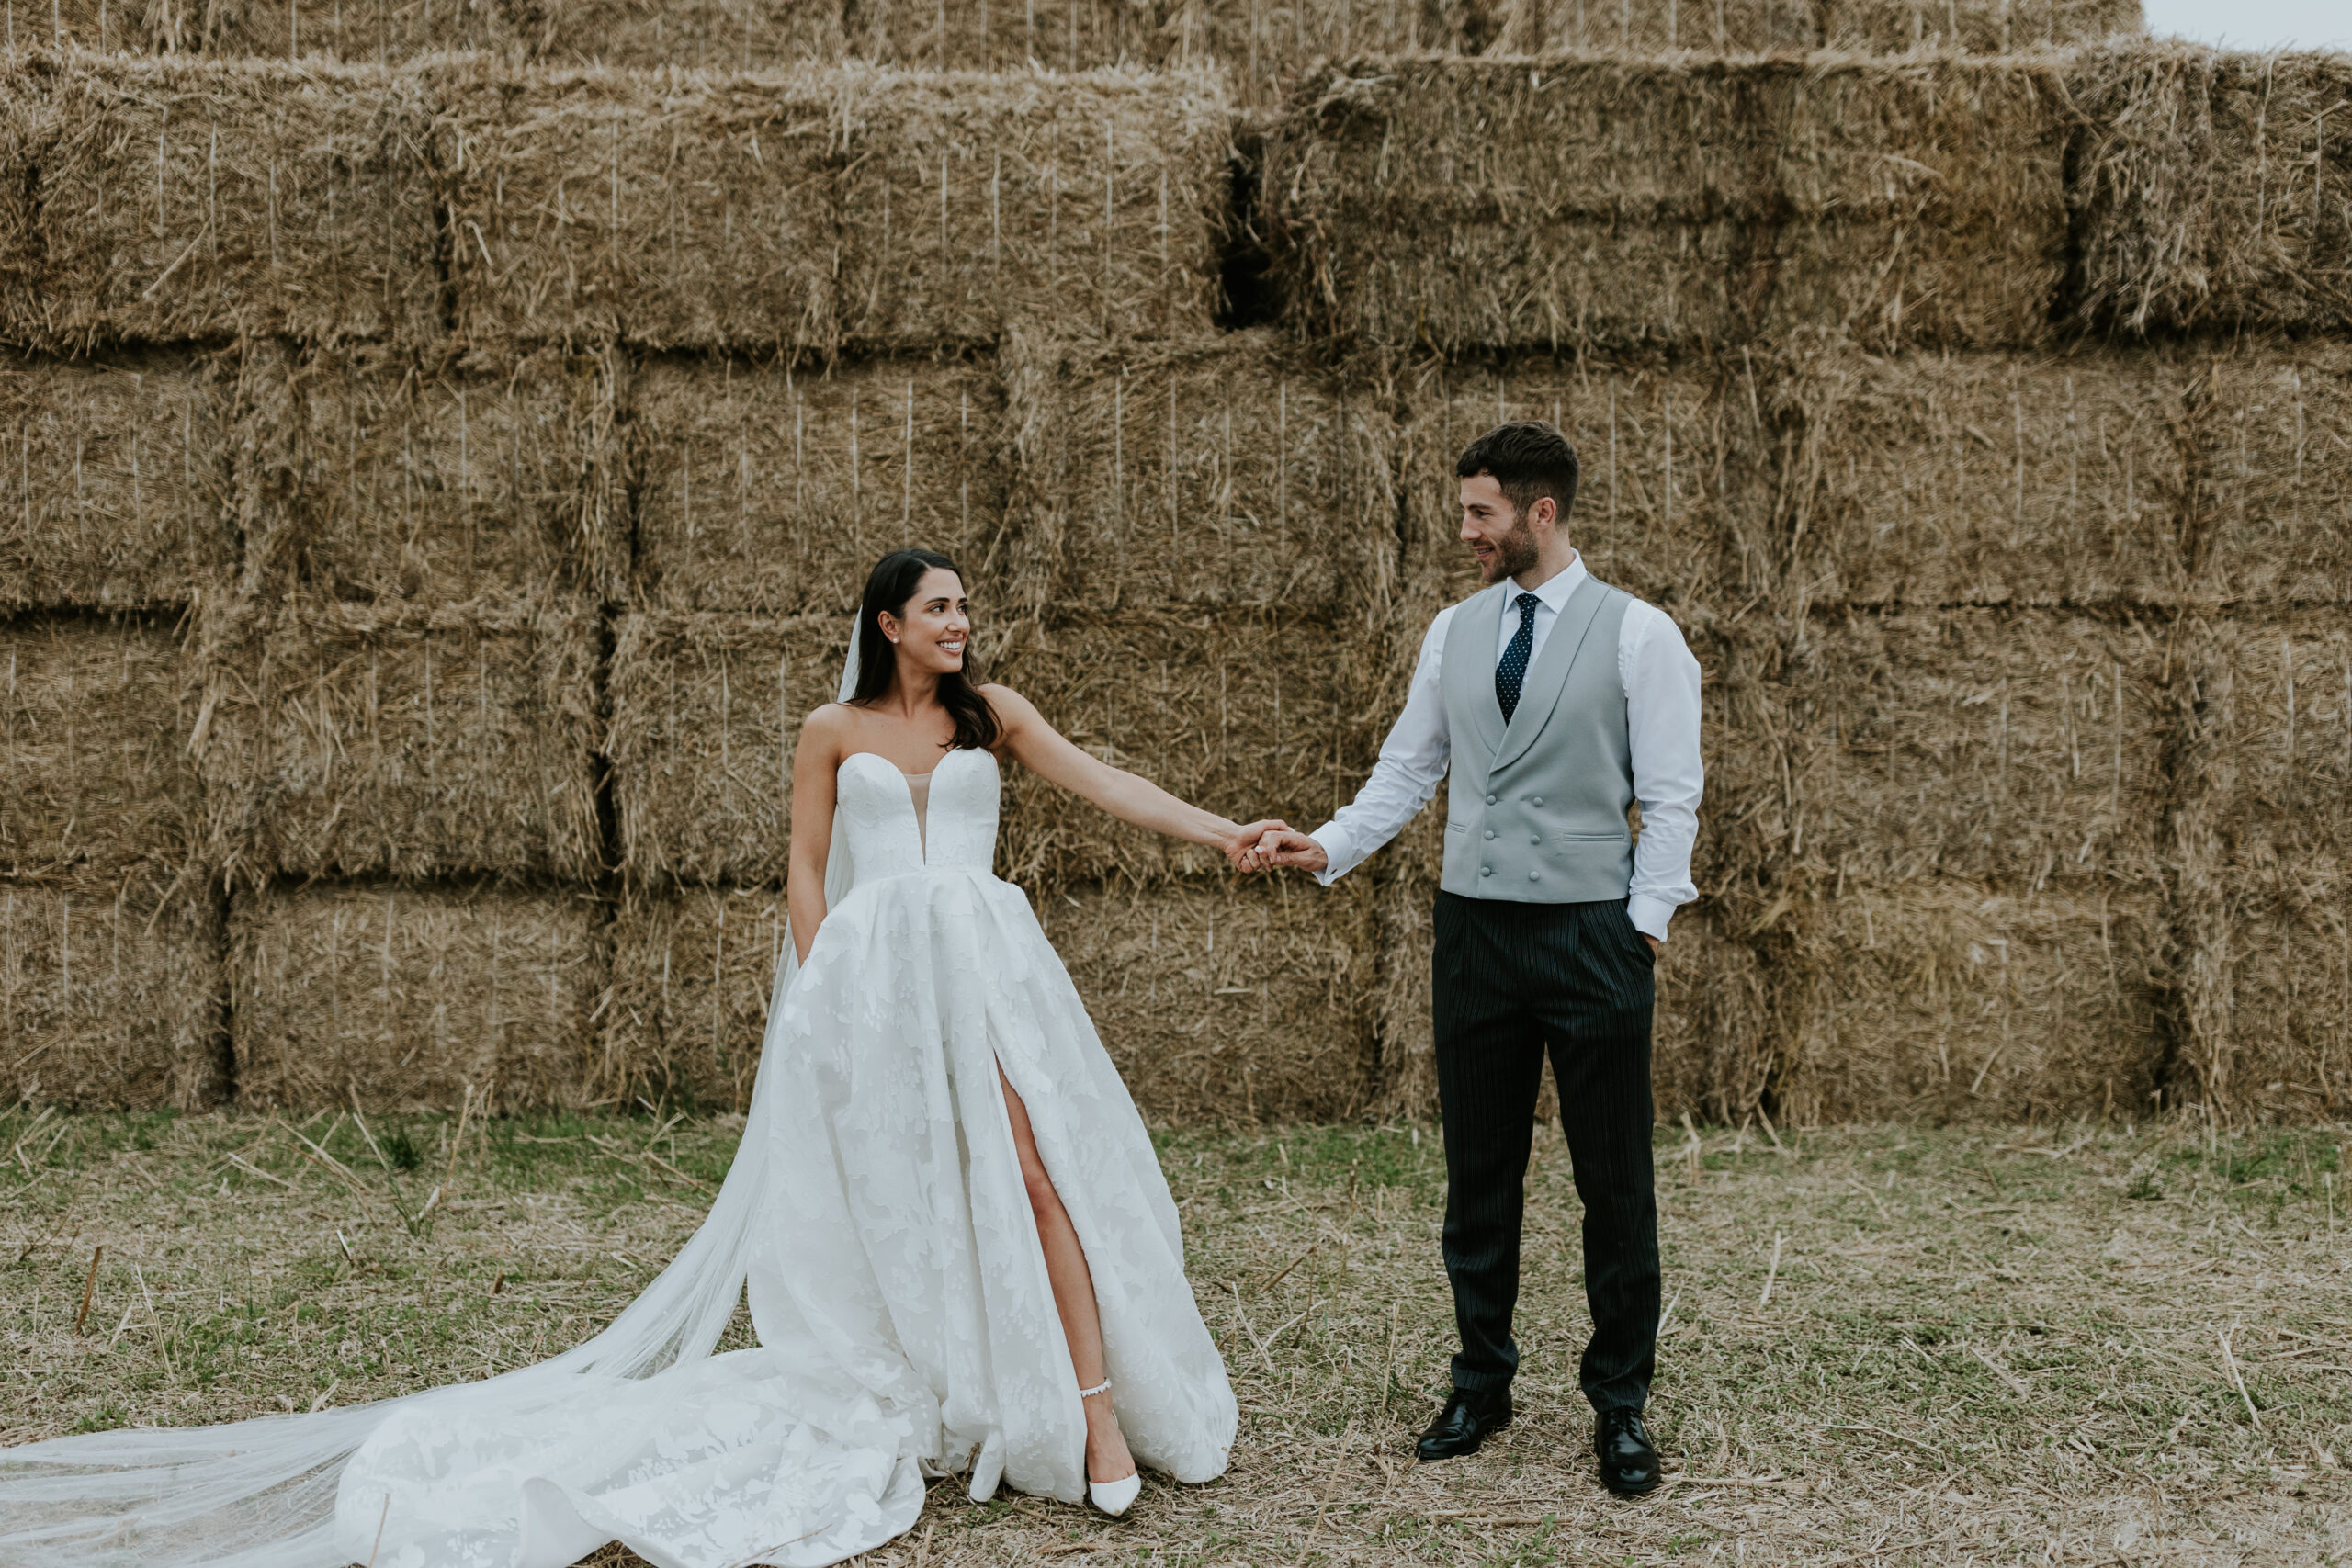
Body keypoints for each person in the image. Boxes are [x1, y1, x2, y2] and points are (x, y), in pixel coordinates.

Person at [0, 547, 1284, 1568]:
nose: (963, 621)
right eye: (941, 607)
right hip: (880, 991)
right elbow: (799, 863)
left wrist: (1223, 830)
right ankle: (984, 1387)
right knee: (929, 1199)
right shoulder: (830, 728)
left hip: (989, 973)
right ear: (887, 621)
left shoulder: (992, 714)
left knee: (1039, 1172)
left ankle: (1099, 1408)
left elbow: (1107, 780)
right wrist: (819, 990)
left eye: (965, 606)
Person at [1250, 422, 1703, 1496]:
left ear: (1539, 513)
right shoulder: (1453, 633)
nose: (1465, 532)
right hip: (1475, 937)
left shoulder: (1643, 635)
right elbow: (1407, 770)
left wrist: (1641, 927)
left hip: (1595, 936)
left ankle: (1621, 1405)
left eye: (1480, 513)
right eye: (1466, 513)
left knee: (1613, 1182)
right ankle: (1480, 1381)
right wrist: (1330, 845)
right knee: (1478, 1176)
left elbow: (1673, 794)